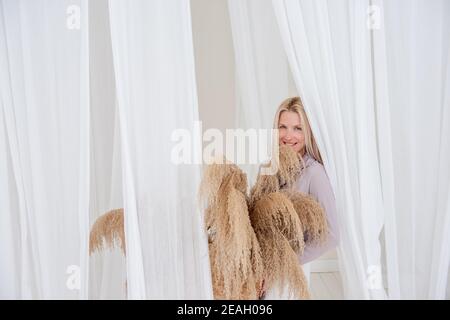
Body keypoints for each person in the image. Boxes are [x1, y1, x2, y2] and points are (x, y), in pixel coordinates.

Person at [262, 96, 340, 299]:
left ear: (308, 132)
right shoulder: (270, 167)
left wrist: (284, 263)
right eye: (283, 127)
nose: (288, 135)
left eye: (297, 128)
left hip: (289, 274)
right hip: (264, 269)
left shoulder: (315, 173)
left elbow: (332, 235)